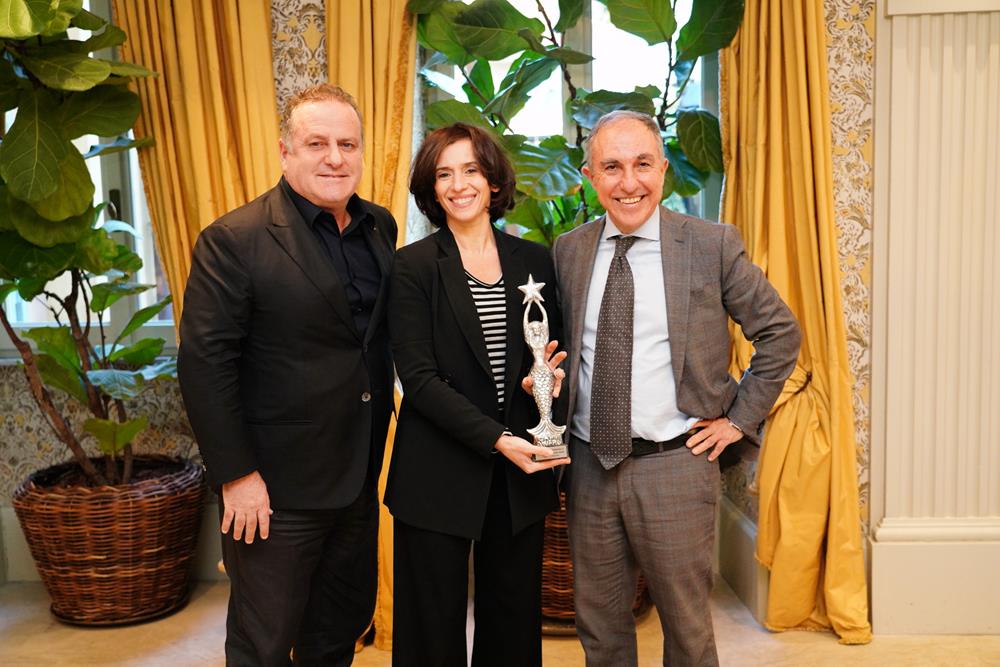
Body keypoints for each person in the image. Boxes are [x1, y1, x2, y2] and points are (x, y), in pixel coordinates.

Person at [553, 110, 801, 666]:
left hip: (676, 464)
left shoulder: (710, 245)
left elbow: (780, 332)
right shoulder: (569, 250)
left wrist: (737, 420)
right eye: (611, 167)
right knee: (600, 632)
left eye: (643, 164)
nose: (629, 182)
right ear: (589, 176)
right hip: (590, 466)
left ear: (663, 169)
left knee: (688, 633)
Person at [177, 84, 397, 666]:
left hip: (357, 477)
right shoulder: (235, 239)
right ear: (285, 151)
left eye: (347, 144)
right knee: (264, 643)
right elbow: (203, 364)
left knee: (337, 633)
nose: (335, 158)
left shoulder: (380, 227)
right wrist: (237, 476)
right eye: (317, 143)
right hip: (274, 491)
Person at [385, 122, 569, 667]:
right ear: (431, 188)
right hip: (436, 473)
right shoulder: (412, 266)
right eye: (444, 174)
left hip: (518, 477)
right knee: (430, 636)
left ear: (492, 180)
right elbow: (419, 380)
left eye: (470, 169)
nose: (459, 184)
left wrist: (545, 386)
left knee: (512, 630)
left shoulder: (535, 260)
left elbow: (546, 356)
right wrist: (497, 439)